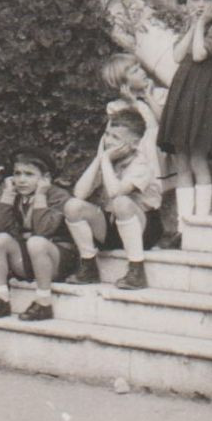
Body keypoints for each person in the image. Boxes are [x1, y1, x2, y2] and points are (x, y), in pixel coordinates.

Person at [156, 0, 212, 237]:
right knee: (183, 160)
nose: (200, 4)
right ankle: (183, 224)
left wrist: (199, 25)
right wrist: (192, 25)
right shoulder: (191, 26)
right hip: (184, 94)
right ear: (187, 2)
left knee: (199, 158)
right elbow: (179, 56)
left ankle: (201, 223)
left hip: (206, 95)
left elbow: (200, 54)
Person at [64, 105, 163, 290]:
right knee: (72, 206)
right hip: (113, 225)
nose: (109, 141)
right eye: (107, 134)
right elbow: (79, 193)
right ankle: (88, 265)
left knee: (121, 202)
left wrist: (106, 162)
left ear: (133, 143)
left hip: (144, 227)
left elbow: (115, 192)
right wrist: (99, 158)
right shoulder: (108, 159)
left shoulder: (142, 163)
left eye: (115, 138)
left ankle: (136, 270)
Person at [0, 148, 76, 322]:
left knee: (37, 242)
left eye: (29, 174)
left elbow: (43, 230)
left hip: (56, 259)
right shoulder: (16, 195)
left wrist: (40, 195)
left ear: (45, 178)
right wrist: (8, 194)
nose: (21, 180)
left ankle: (44, 302)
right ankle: (2, 299)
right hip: (29, 258)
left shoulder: (58, 196)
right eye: (17, 174)